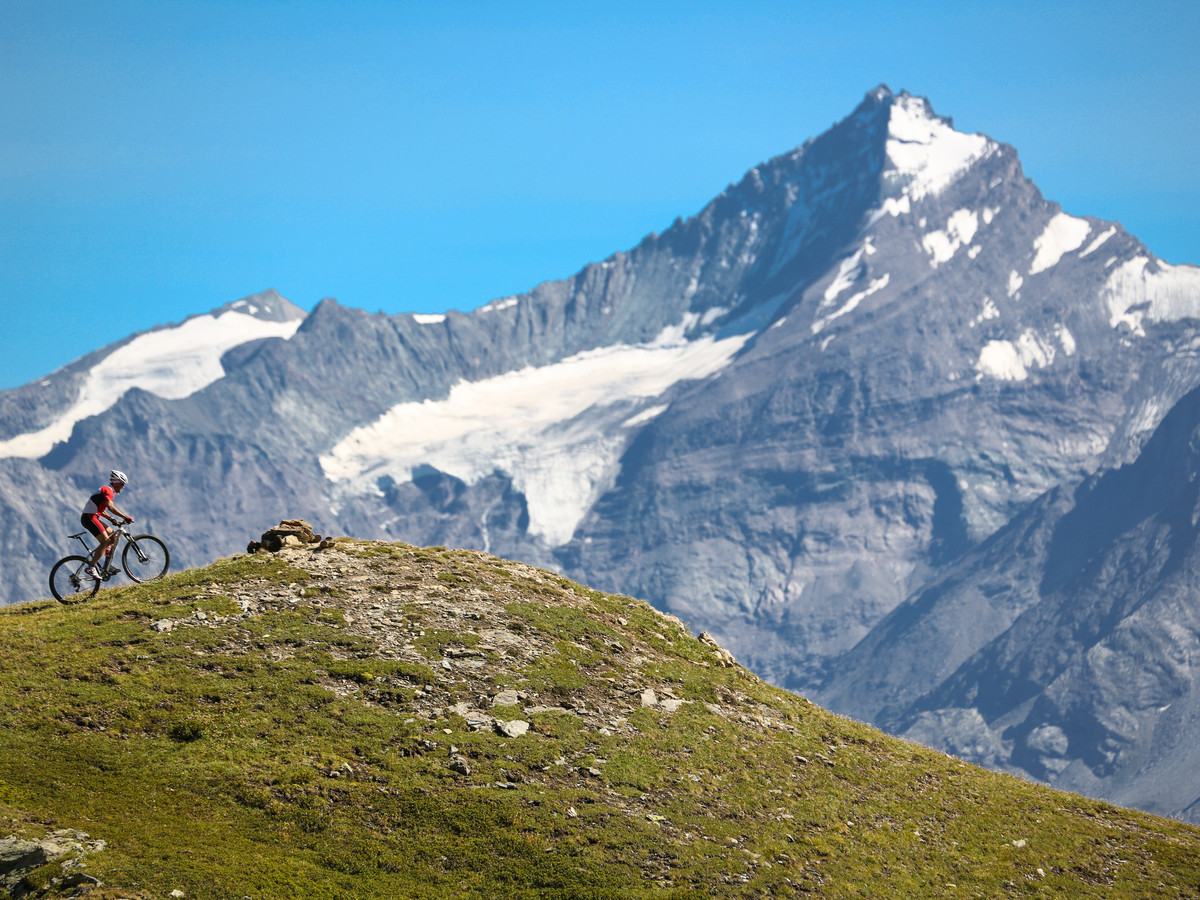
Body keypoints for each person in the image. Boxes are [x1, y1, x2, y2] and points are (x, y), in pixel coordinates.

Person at [81, 470, 133, 579]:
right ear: (116, 482)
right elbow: (111, 507)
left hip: (93, 516)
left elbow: (101, 509)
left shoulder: (107, 491)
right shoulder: (108, 490)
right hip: (89, 517)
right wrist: (124, 517)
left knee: (113, 536)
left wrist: (111, 519)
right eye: (122, 484)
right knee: (105, 541)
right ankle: (91, 566)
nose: (123, 487)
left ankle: (106, 566)